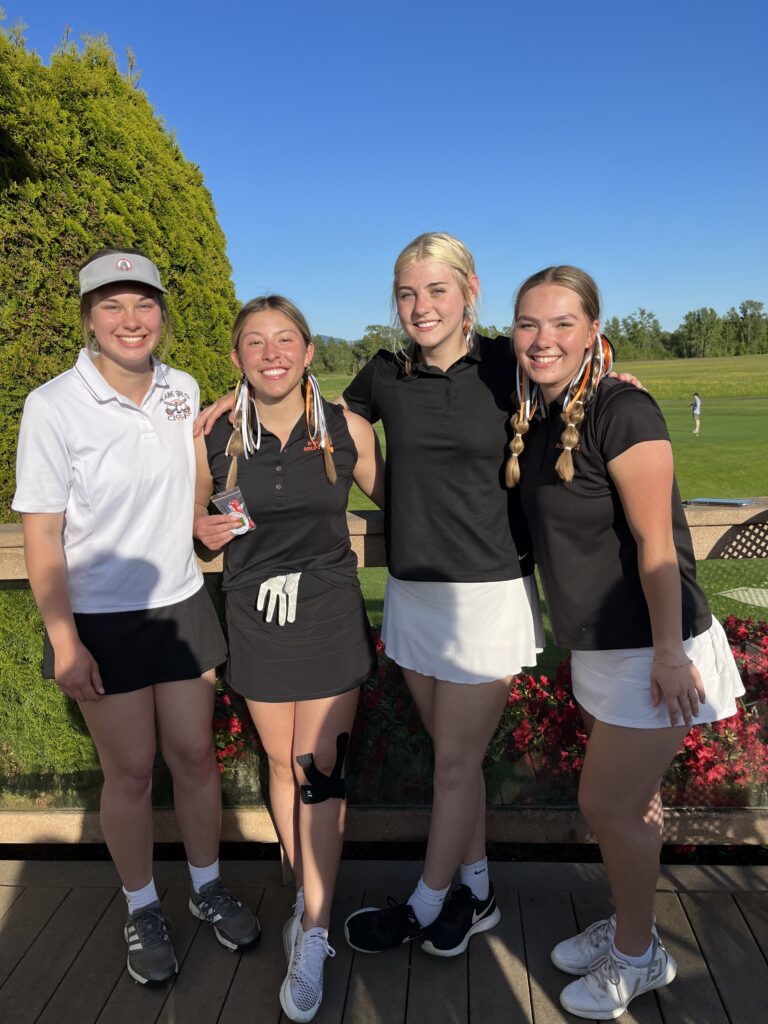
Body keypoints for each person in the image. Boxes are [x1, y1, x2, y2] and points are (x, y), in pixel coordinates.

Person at [12, 249, 259, 985]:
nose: (130, 320)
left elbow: (195, 477)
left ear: (162, 315)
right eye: (111, 305)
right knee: (128, 772)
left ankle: (208, 887)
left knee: (192, 758)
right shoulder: (53, 405)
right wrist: (64, 639)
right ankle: (143, 904)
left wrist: (202, 519)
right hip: (104, 617)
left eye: (143, 304)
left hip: (182, 602)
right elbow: (41, 535)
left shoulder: (182, 389)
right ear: (88, 318)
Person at [507, 266, 744, 1019]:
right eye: (528, 324)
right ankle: (631, 923)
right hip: (603, 647)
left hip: (654, 647)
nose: (543, 340)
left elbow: (657, 545)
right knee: (630, 804)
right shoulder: (542, 414)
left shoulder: (622, 409)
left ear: (593, 332)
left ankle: (640, 956)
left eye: (562, 324)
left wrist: (670, 651)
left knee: (606, 804)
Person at [194, 295, 383, 1022]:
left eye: (285, 340)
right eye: (253, 342)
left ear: (308, 350)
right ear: (237, 356)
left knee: (319, 774)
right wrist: (205, 532)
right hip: (256, 615)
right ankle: (307, 893)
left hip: (330, 612)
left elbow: (407, 497)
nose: (271, 353)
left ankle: (313, 930)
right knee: (280, 767)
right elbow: (194, 520)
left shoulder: (346, 426)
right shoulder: (211, 435)